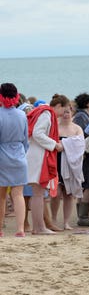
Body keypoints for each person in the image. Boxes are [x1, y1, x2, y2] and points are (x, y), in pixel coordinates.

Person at [25, 98, 62, 235]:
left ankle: (38, 226)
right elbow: (37, 133)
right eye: (63, 110)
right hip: (38, 156)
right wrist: (54, 144)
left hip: (35, 155)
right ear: (58, 106)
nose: (62, 114)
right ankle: (39, 227)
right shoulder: (46, 115)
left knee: (38, 193)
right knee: (38, 193)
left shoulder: (41, 113)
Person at [49, 94, 84, 230]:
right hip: (56, 161)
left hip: (71, 163)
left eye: (68, 112)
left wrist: (64, 144)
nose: (66, 115)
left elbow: (81, 145)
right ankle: (53, 218)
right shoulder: (54, 126)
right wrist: (61, 145)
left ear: (72, 112)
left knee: (69, 194)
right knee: (56, 193)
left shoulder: (76, 128)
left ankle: (66, 222)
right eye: (64, 112)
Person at [0, 83, 29, 237]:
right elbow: (25, 141)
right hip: (19, 156)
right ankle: (20, 229)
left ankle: (0, 230)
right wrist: (21, 153)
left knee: (1, 195)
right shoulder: (22, 115)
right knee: (18, 194)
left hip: (2, 156)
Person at [73, 92, 89, 222]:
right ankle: (83, 216)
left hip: (86, 154)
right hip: (87, 155)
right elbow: (85, 136)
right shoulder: (81, 117)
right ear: (88, 103)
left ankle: (85, 214)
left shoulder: (80, 115)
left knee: (88, 185)